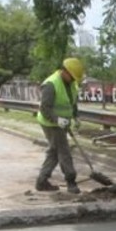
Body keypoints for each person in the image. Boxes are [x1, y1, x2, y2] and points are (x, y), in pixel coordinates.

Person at [35, 57, 86, 192]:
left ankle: (42, 181)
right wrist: (58, 120)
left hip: (63, 122)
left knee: (54, 151)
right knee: (64, 151)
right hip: (50, 123)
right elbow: (44, 109)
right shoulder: (51, 84)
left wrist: (76, 117)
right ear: (65, 71)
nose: (74, 80)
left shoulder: (72, 84)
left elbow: (72, 102)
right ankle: (71, 181)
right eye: (72, 76)